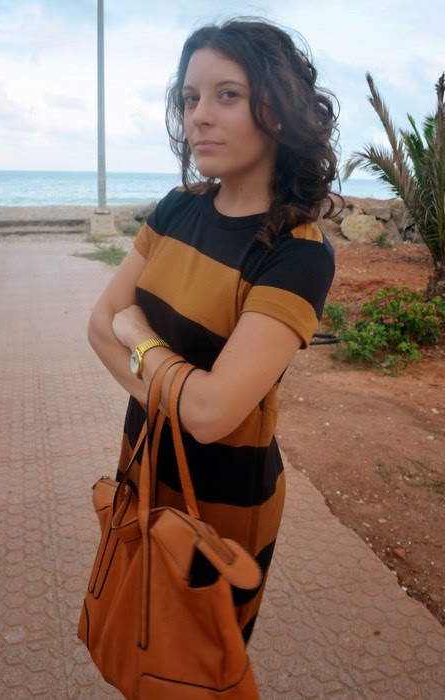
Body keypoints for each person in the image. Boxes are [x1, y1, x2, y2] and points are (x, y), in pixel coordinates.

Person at [88, 17, 338, 643]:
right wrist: (185, 395)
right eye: (190, 98)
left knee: (200, 663)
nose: (199, 116)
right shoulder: (179, 207)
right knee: (134, 635)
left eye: (227, 95)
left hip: (224, 504)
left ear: (278, 109)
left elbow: (212, 415)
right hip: (143, 462)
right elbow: (99, 325)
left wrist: (141, 339)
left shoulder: (297, 254)